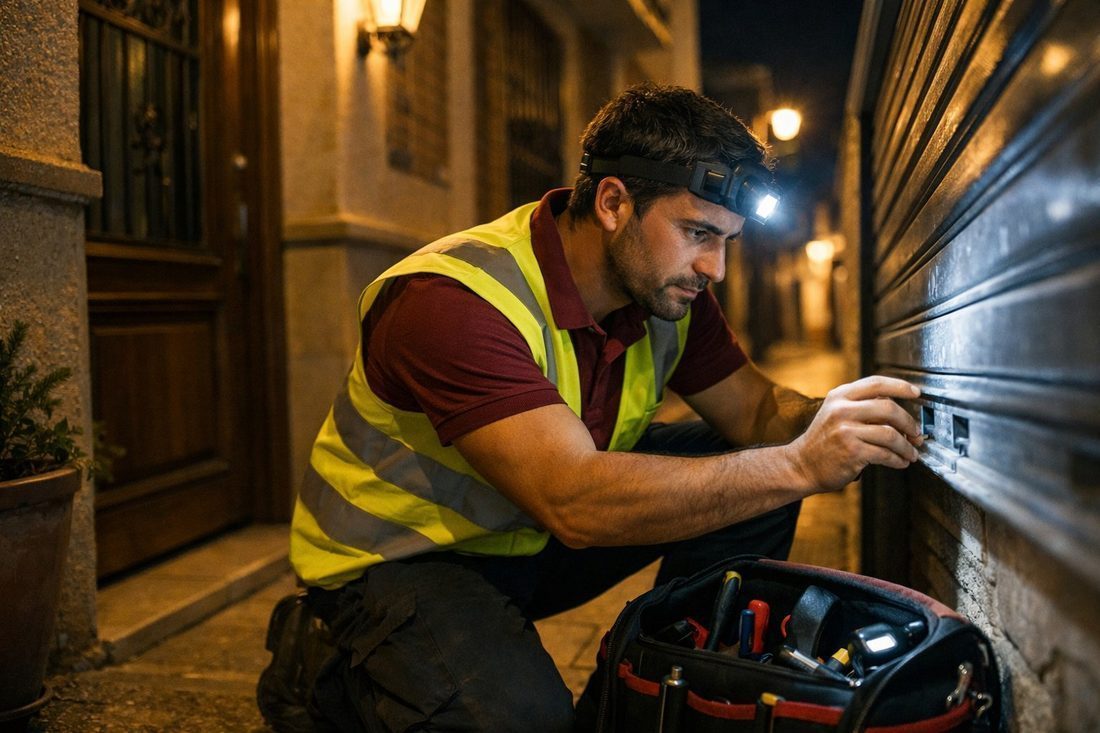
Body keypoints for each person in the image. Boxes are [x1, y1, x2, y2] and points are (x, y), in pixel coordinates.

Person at [258, 83, 923, 732]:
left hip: (528, 540)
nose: (715, 266)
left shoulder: (668, 292)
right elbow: (572, 500)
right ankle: (322, 668)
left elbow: (755, 415)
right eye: (697, 232)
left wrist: (839, 418)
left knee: (752, 468)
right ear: (613, 202)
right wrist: (802, 465)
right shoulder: (451, 301)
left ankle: (646, 692)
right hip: (397, 565)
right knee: (525, 719)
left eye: (727, 240)